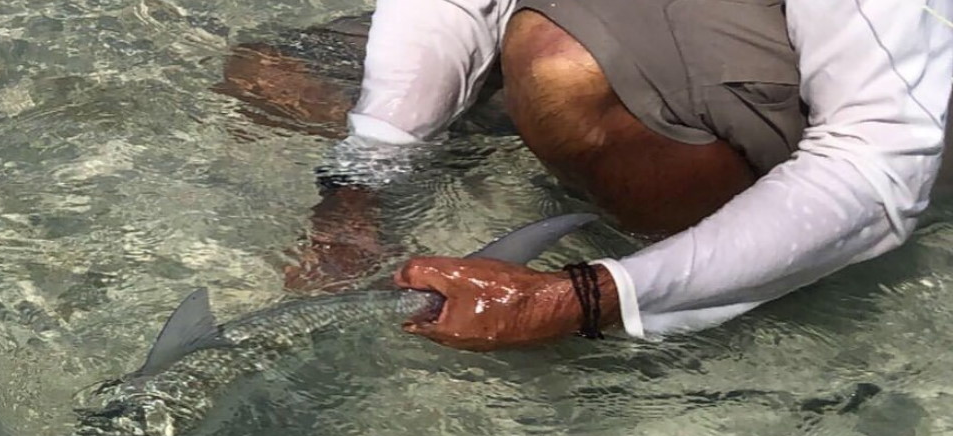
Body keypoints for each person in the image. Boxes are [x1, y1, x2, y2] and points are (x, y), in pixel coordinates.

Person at [216, 0, 953, 351]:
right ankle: (560, 140)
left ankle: (695, 256)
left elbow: (878, 159)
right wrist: (360, 188)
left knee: (561, 76)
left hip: (886, 90)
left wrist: (587, 297)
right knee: (267, 76)